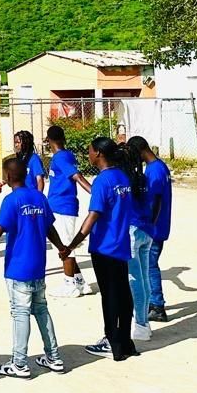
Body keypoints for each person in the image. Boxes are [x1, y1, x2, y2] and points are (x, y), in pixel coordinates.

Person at [0, 159, 66, 378]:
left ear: (9, 177)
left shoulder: (11, 201)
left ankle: (19, 363)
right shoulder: (39, 198)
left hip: (18, 268)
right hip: (38, 267)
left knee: (20, 313)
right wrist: (62, 248)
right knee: (41, 310)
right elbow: (50, 228)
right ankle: (54, 357)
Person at [58, 137, 138, 361]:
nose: (89, 154)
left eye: (90, 151)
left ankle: (113, 342)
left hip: (104, 247)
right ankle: (126, 340)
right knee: (123, 292)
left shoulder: (103, 181)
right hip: (121, 243)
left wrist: (71, 246)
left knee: (110, 296)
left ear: (99, 155)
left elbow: (93, 216)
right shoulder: (122, 176)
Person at [43, 125, 92, 298]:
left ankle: (69, 284)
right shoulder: (67, 154)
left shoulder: (60, 158)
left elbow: (76, 176)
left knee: (64, 246)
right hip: (61, 205)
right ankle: (80, 282)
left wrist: (95, 192)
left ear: (48, 141)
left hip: (61, 206)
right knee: (66, 243)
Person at [124, 136, 157, 341]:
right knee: (143, 277)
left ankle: (141, 324)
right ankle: (144, 321)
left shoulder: (126, 180)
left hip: (134, 231)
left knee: (134, 279)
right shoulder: (142, 177)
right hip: (146, 230)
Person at [139, 138, 173, 322]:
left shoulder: (155, 171)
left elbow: (156, 200)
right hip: (158, 224)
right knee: (149, 265)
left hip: (155, 227)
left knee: (150, 266)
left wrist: (149, 225)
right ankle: (153, 302)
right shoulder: (157, 167)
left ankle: (157, 306)